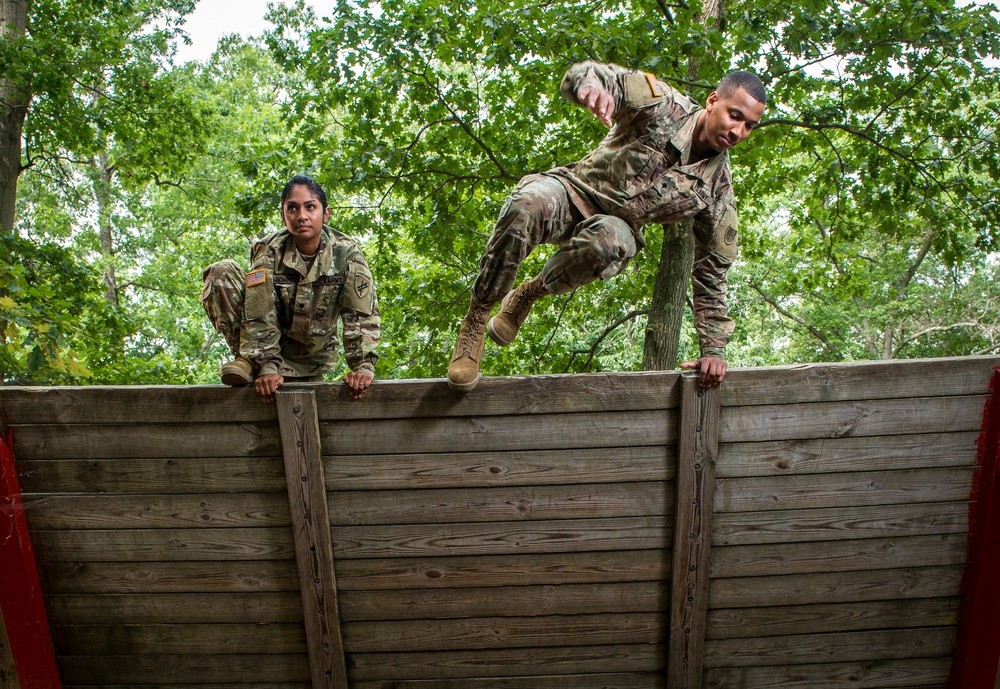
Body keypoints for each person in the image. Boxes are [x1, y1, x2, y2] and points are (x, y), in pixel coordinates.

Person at [447, 61, 766, 391]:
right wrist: (591, 87)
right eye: (735, 116)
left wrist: (713, 350)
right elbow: (598, 76)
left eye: (749, 126)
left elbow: (712, 271)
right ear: (713, 101)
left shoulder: (717, 191)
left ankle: (531, 292)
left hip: (616, 227)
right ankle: (477, 316)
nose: (738, 132)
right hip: (572, 192)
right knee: (527, 204)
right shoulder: (662, 104)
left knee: (611, 243)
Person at [201, 175, 380, 403]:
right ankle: (248, 361)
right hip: (267, 348)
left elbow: (360, 312)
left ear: (326, 214)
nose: (302, 216)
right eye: (292, 208)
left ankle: (255, 361)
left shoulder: (346, 253)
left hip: (314, 355)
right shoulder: (269, 250)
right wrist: (266, 367)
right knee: (220, 272)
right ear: (283, 214)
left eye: (310, 207)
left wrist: (362, 367)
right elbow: (260, 309)